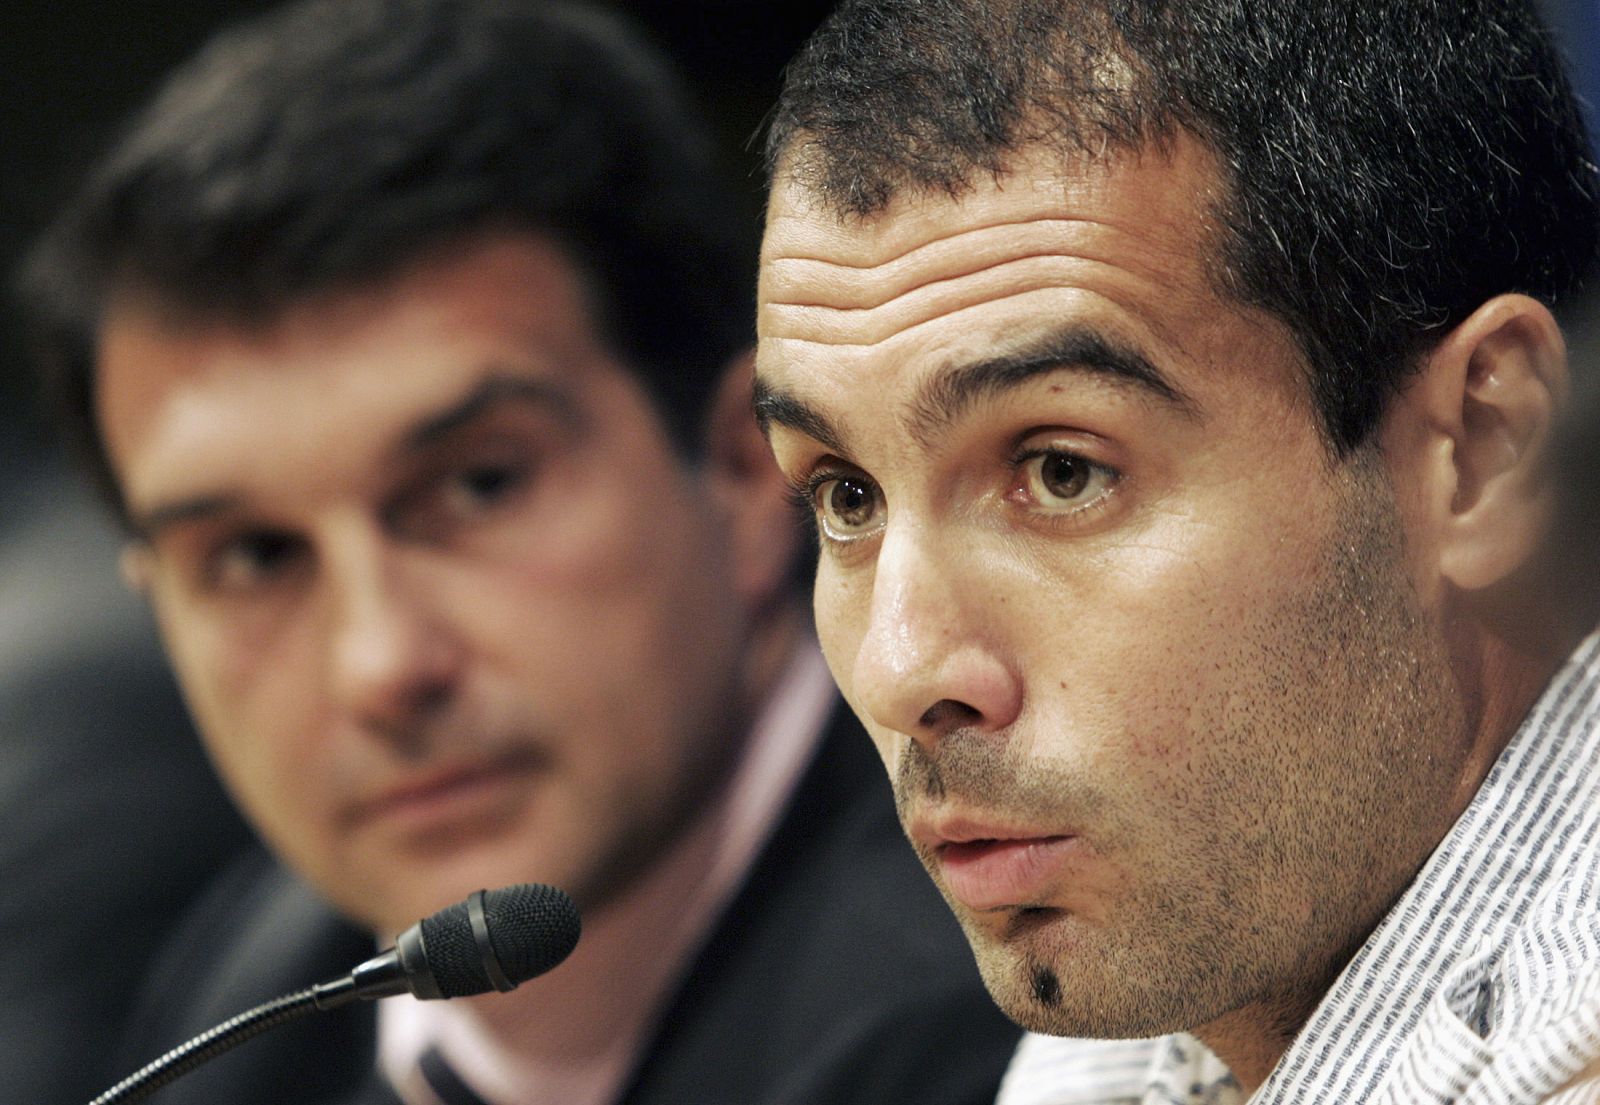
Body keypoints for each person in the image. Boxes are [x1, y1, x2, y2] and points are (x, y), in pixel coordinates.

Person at [17, 1, 1023, 1103]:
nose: (382, 667)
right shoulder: (258, 1006)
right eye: (255, 556)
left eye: (478, 485)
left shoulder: (1013, 1006)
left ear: (744, 471)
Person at [753, 1, 1600, 1102]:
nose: (900, 669)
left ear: (1483, 449)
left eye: (1062, 471)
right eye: (847, 496)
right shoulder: (1168, 998)